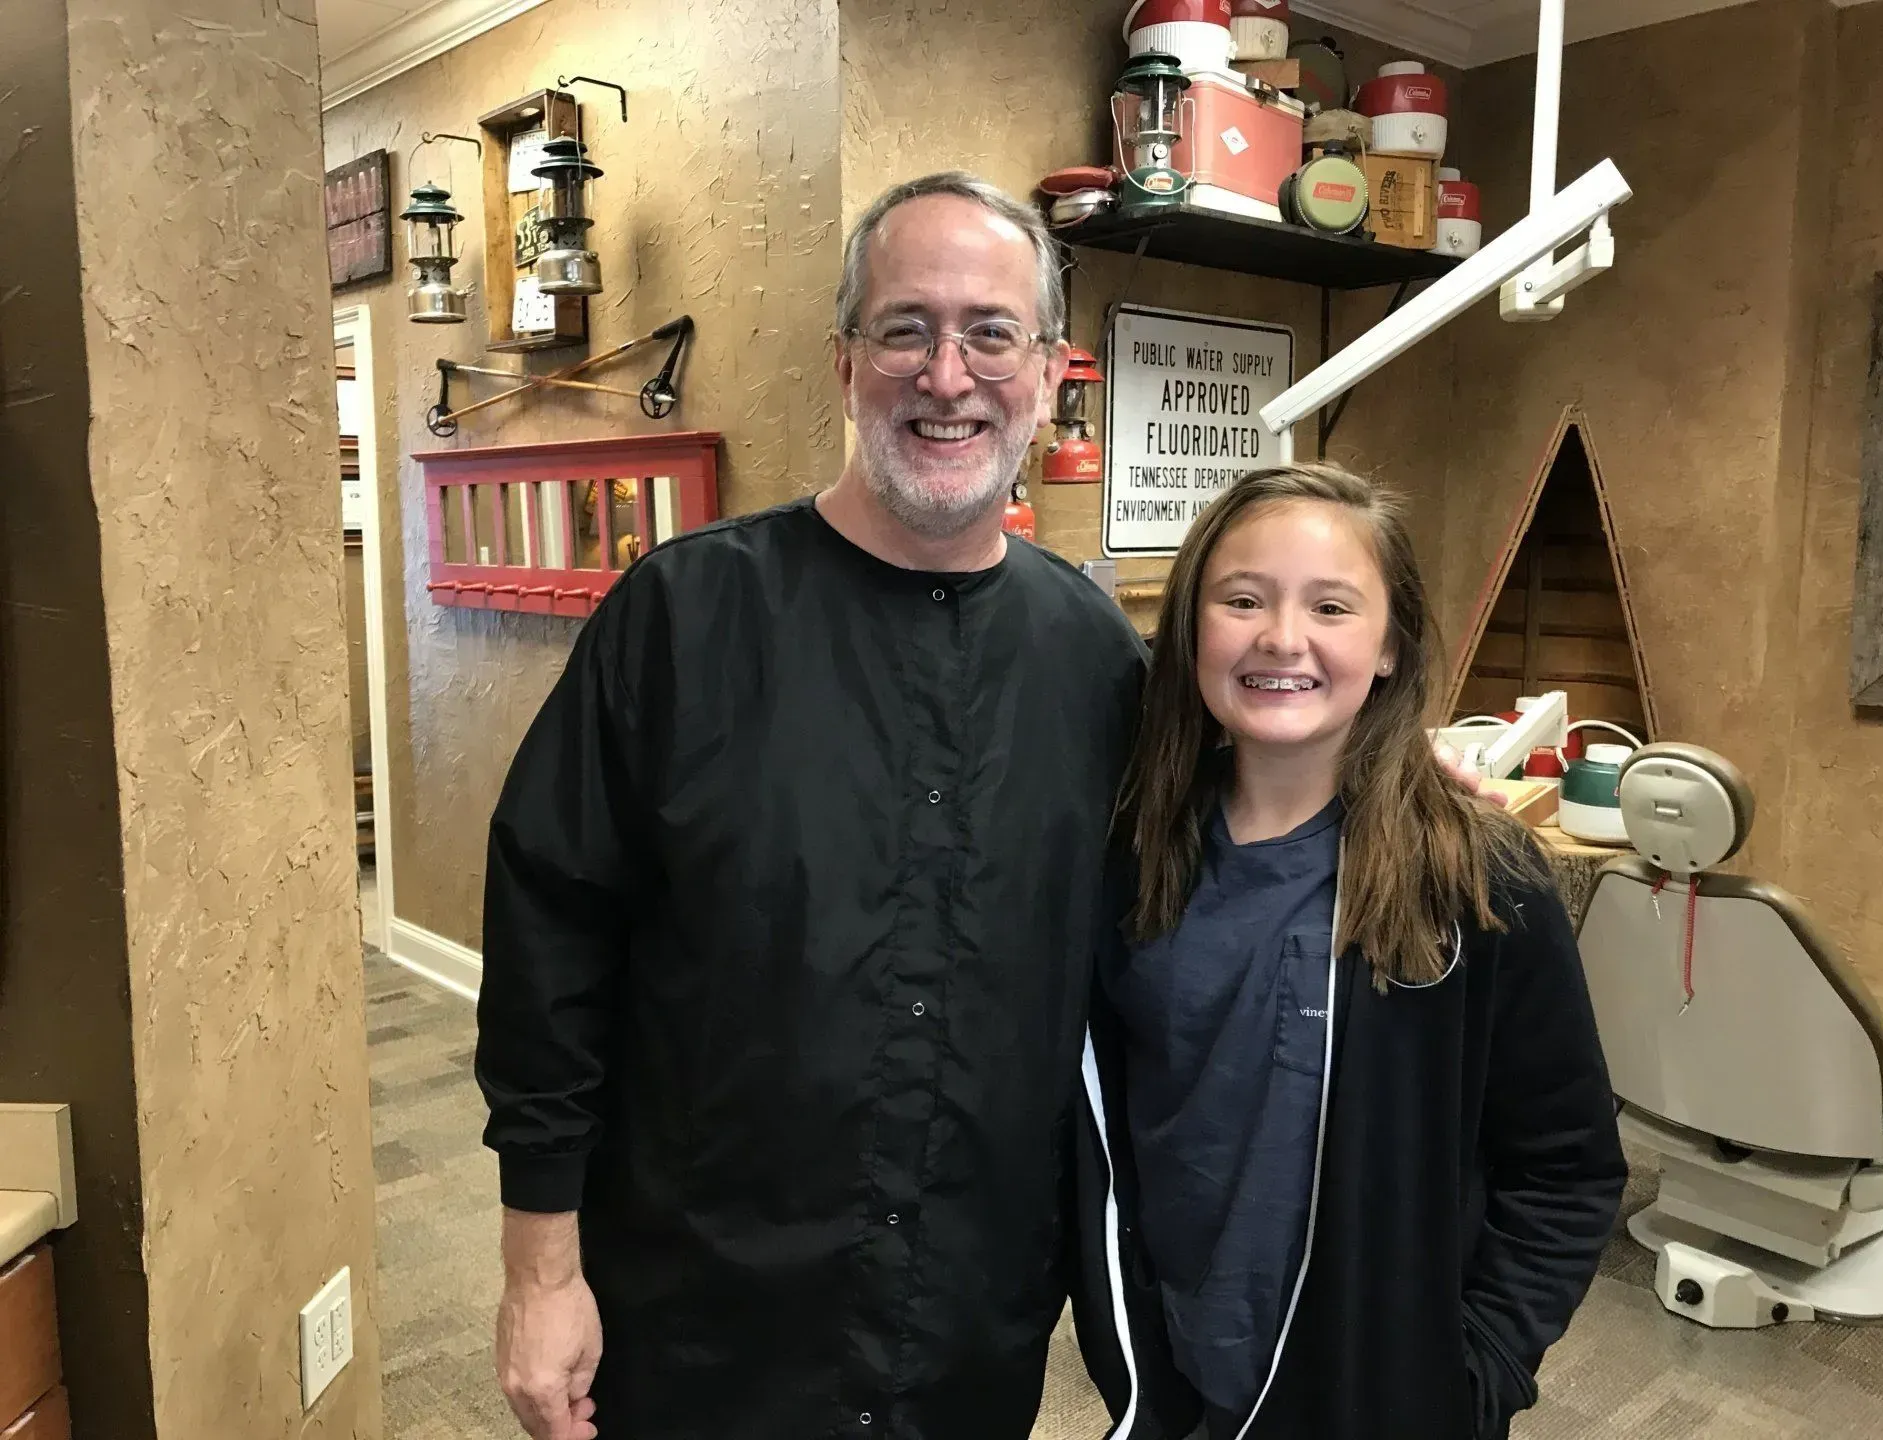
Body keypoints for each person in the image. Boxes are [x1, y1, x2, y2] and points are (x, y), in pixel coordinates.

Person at [475, 172, 1148, 1440]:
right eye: (906, 328)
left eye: (991, 333)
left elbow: (1212, 875)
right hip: (700, 1323)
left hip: (969, 1324)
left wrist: (1396, 777)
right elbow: (547, 955)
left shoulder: (1099, 661)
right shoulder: (680, 622)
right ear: (846, 362)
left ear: (1050, 369)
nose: (948, 376)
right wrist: (540, 1271)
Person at [1069, 465, 1627, 1440]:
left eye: (1331, 605)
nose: (1282, 637)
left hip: (1377, 1399)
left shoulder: (1473, 880)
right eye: (1242, 599)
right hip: (1179, 1385)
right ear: (1192, 627)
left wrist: (1474, 1374)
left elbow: (1567, 1170)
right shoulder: (1137, 853)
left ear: (1389, 646)